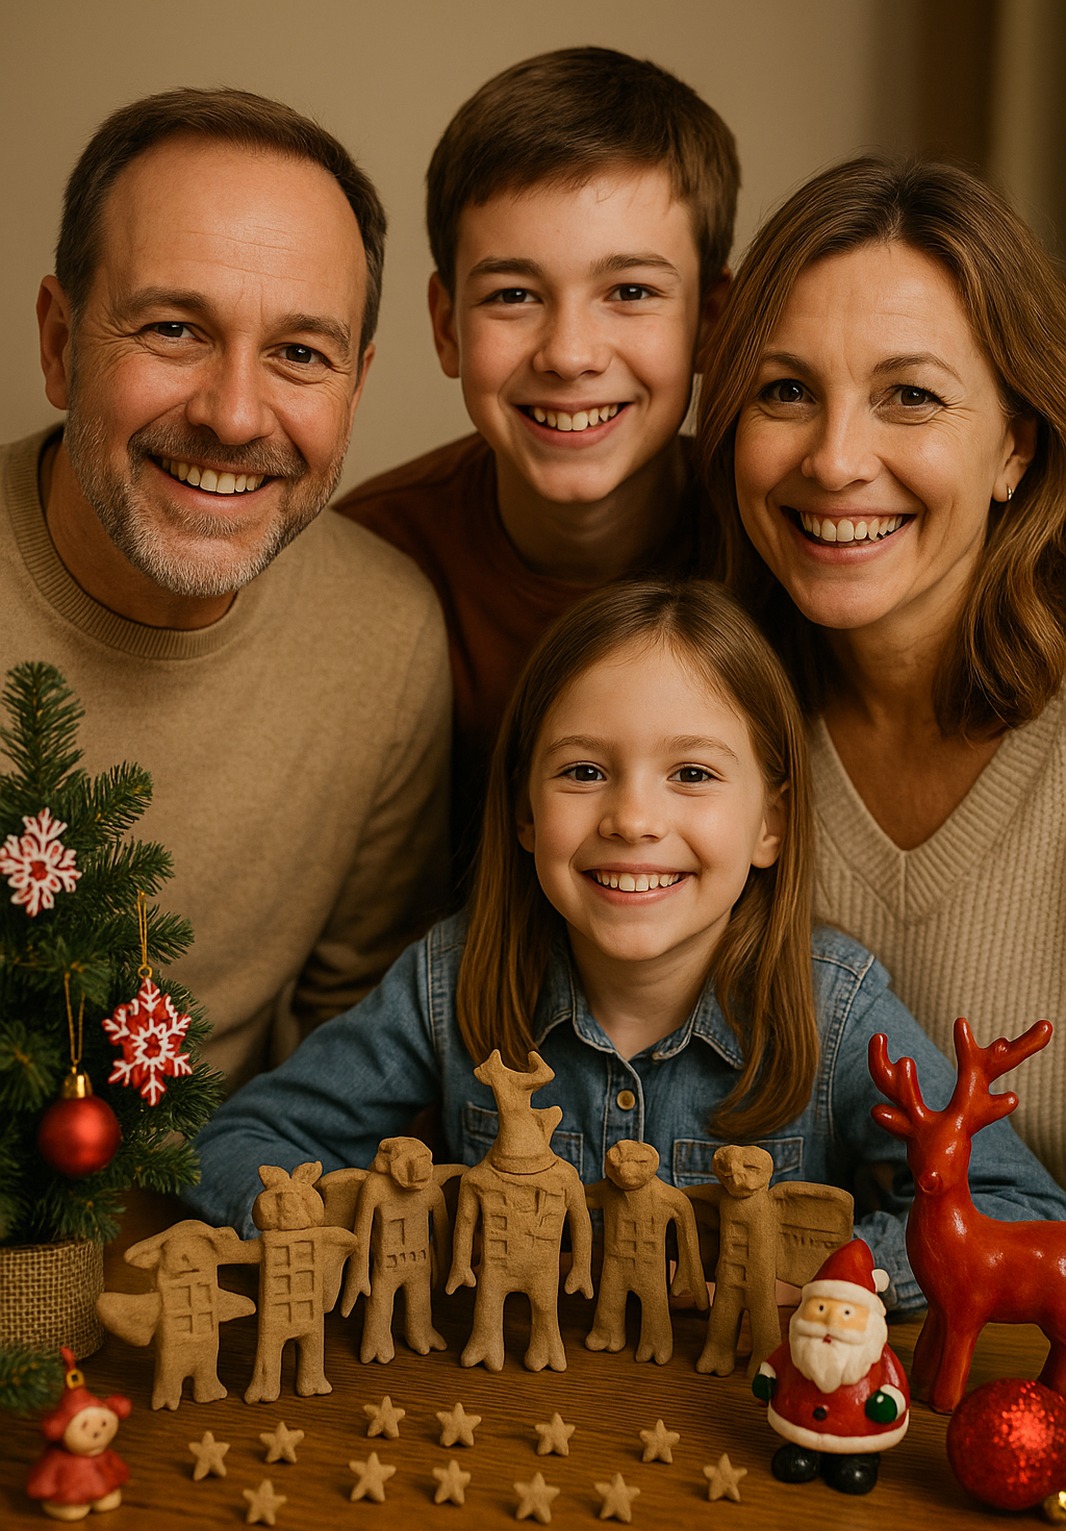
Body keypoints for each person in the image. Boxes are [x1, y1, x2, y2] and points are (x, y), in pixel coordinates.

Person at [188, 579, 1066, 1309]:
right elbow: (239, 1142)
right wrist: (389, 1235)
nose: (634, 819)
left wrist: (836, 1282)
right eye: (584, 771)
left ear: (770, 824)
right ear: (526, 814)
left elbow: (1018, 1206)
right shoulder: (450, 981)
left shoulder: (832, 1007)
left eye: (692, 773)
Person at [1, 88, 449, 1086]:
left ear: (355, 386)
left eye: (300, 353)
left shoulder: (386, 634)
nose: (235, 414)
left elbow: (354, 1065)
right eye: (173, 328)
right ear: (59, 343)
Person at [698, 156, 1066, 1186]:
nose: (834, 459)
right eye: (786, 391)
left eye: (910, 395)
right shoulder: (691, 732)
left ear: (1014, 450)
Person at [334, 47, 738, 881]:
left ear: (711, 321)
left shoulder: (776, 549)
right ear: (446, 325)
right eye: (513, 295)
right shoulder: (365, 569)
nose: (569, 354)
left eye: (630, 292)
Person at [752, 1239, 909, 1496]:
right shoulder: (799, 1347)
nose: (830, 1321)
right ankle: (804, 1452)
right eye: (821, 1308)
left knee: (851, 1473)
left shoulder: (874, 1352)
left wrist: (890, 1402)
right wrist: (767, 1380)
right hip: (799, 1422)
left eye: (846, 1313)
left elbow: (895, 1380)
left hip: (859, 1431)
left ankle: (855, 1459)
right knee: (793, 1463)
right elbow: (776, 1363)